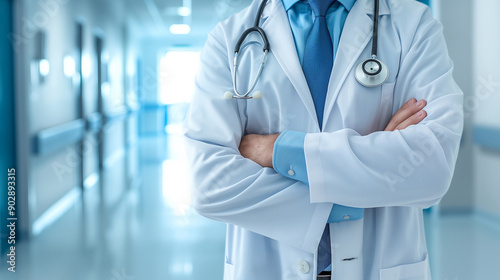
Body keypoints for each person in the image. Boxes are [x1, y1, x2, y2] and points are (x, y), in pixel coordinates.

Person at [183, 0, 463, 279]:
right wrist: (369, 168)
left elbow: (431, 167)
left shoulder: (412, 25)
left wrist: (277, 149)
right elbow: (210, 183)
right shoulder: (228, 38)